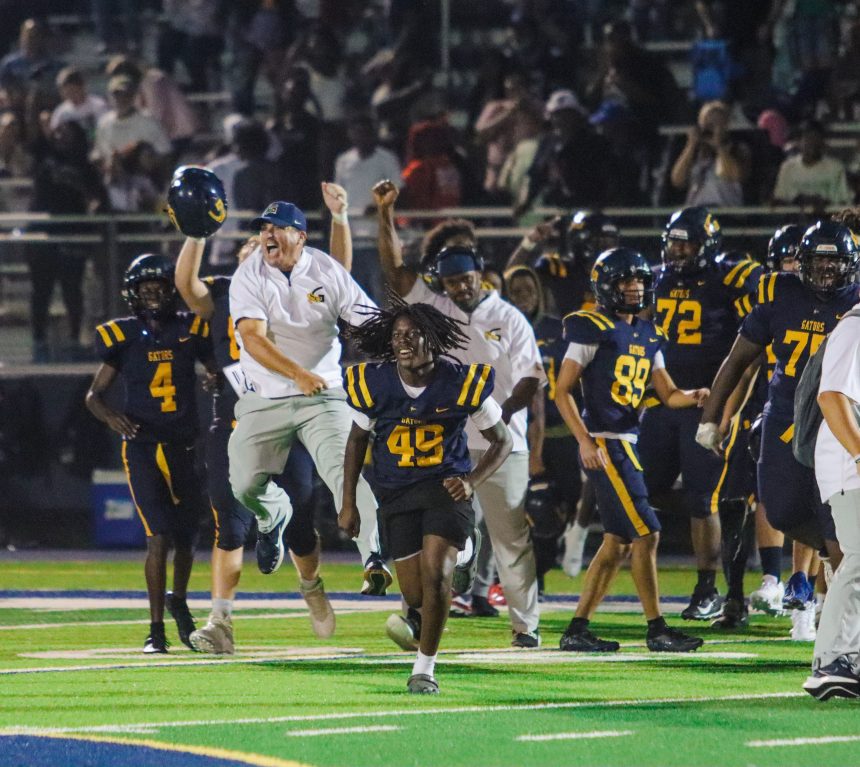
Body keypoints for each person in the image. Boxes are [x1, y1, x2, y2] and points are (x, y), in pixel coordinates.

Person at [175, 183, 352, 653]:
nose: (259, 249)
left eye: (268, 243)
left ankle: (311, 586)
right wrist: (196, 232)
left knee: (300, 520)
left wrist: (340, 221)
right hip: (234, 417)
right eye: (252, 244)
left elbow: (336, 274)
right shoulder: (225, 293)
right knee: (228, 524)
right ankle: (221, 622)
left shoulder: (290, 292)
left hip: (291, 413)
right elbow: (186, 287)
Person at [375, 179, 544, 647]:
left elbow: (531, 376)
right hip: (445, 448)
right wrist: (385, 213)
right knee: (426, 534)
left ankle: (525, 628)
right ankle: (416, 616)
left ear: (481, 275)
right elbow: (394, 270)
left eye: (465, 279)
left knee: (510, 537)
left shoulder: (509, 316)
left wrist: (500, 417)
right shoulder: (435, 307)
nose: (460, 287)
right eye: (451, 281)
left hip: (500, 442)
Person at [341, 299, 512, 693]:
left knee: (437, 576)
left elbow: (502, 440)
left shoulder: (457, 381)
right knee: (415, 594)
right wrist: (348, 502)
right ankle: (467, 550)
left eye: (412, 335)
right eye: (397, 335)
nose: (403, 342)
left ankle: (424, 669)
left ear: (431, 339)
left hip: (444, 488)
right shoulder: (375, 382)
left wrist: (471, 480)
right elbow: (356, 442)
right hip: (395, 491)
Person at [227, 200, 389, 593]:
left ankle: (374, 556)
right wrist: (299, 374)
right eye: (263, 228)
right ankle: (273, 514)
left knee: (344, 474)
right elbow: (252, 338)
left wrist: (392, 354)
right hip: (267, 396)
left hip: (324, 395)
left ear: (299, 236)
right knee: (244, 484)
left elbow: (368, 321)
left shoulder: (326, 269)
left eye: (276, 227)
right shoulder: (248, 275)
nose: (267, 234)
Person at [698, 221, 860, 606]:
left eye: (835, 263)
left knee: (834, 516)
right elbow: (739, 359)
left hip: (836, 422)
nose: (826, 271)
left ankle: (842, 619)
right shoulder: (778, 292)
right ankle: (829, 555)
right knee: (781, 510)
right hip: (786, 414)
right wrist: (711, 417)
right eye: (818, 263)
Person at [555, 247, 706, 653]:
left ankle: (577, 629)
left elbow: (668, 393)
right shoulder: (591, 327)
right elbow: (562, 390)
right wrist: (585, 440)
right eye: (625, 281)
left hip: (628, 442)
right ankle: (657, 628)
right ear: (606, 285)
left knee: (618, 541)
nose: (634, 287)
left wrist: (694, 396)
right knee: (649, 534)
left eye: (639, 280)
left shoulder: (649, 333)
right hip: (606, 441)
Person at [85, 254, 216, 653]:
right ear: (134, 294)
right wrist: (111, 418)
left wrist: (214, 377)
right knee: (157, 535)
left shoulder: (189, 329)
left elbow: (216, 369)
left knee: (188, 532)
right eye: (147, 289)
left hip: (182, 443)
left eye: (159, 288)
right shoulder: (121, 336)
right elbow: (93, 395)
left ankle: (179, 600)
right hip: (142, 446)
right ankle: (155, 628)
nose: (154, 295)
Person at [640, 206, 763, 622]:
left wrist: (726, 411)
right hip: (663, 401)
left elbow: (750, 352)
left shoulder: (729, 280)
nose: (678, 252)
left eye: (686, 243)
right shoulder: (654, 279)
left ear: (707, 245)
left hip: (706, 401)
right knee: (646, 490)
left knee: (702, 497)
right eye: (673, 242)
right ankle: (716, 513)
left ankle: (707, 588)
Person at [503, 265, 579, 593]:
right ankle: (532, 580)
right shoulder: (502, 327)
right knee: (535, 510)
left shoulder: (558, 329)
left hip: (564, 436)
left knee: (568, 508)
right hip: (524, 435)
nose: (523, 298)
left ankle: (553, 559)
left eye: (528, 291)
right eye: (516, 292)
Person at [803, 303, 860, 700]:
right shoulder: (856, 327)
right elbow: (832, 397)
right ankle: (832, 659)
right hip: (848, 461)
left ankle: (843, 655)